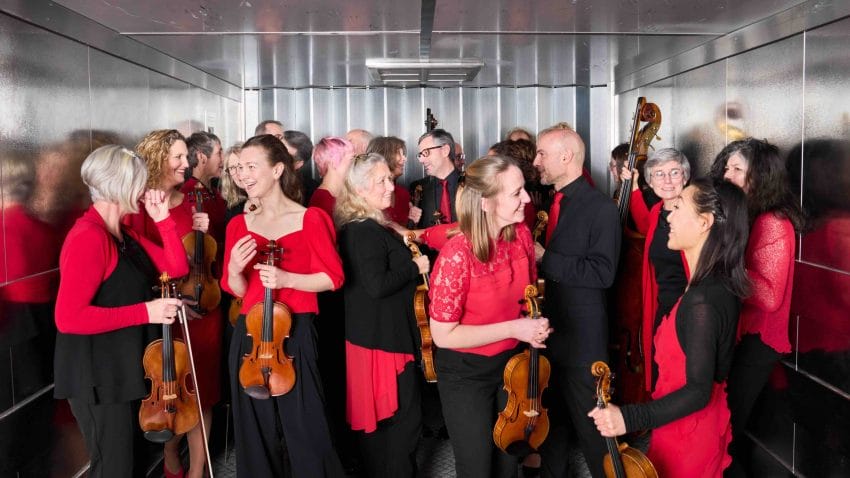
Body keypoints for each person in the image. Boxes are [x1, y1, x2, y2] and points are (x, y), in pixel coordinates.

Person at [589, 179, 751, 478]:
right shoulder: (707, 285)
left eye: (678, 208)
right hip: (681, 426)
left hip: (689, 436)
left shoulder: (703, 301)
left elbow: (698, 391)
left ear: (704, 222)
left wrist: (628, 417)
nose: (669, 216)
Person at [53, 145, 187, 477]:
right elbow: (68, 318)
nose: (144, 190)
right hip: (97, 378)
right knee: (114, 469)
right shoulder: (88, 237)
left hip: (121, 371)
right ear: (121, 186)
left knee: (130, 466)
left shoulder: (123, 234)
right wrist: (147, 312)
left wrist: (163, 220)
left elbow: (176, 268)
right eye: (139, 182)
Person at [222, 134, 345, 477]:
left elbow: (333, 278)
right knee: (254, 430)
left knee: (306, 428)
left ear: (277, 170)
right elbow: (237, 290)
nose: (242, 175)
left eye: (251, 167)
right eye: (239, 168)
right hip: (250, 334)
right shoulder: (237, 224)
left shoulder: (311, 219)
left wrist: (288, 279)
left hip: (296, 333)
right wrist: (234, 269)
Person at [428, 154, 553, 478]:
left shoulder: (521, 235)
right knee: (477, 466)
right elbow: (443, 335)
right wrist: (515, 328)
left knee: (508, 460)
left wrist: (535, 324)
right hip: (465, 373)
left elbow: (527, 299)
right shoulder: (457, 255)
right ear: (485, 202)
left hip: (511, 366)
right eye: (516, 193)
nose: (527, 199)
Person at [127, 129, 222, 478]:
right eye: (178, 157)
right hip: (164, 313)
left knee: (203, 393)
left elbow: (204, 258)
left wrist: (204, 232)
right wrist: (170, 299)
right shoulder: (137, 205)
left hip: (201, 313)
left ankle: (197, 471)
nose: (187, 163)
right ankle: (170, 452)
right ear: (157, 159)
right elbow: (136, 265)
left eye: (187, 156)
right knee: (172, 392)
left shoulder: (193, 199)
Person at [710, 139, 805, 478]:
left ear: (760, 176)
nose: (727, 174)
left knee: (727, 430)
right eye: (727, 167)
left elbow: (769, 297)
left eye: (737, 169)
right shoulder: (747, 213)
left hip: (758, 341)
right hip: (742, 334)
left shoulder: (773, 222)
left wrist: (722, 264)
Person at [532, 126, 621, 478]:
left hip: (583, 340)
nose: (536, 161)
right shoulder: (553, 202)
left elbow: (603, 273)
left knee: (594, 431)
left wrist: (545, 258)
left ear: (566, 157)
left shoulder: (601, 208)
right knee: (551, 427)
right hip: (550, 333)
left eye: (542, 154)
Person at [335, 152, 428, 477]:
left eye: (390, 178)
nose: (391, 186)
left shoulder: (372, 225)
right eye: (382, 181)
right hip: (380, 342)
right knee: (401, 422)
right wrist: (415, 266)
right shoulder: (363, 230)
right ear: (360, 190)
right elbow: (376, 285)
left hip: (383, 336)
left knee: (396, 423)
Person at [621, 148, 692, 392]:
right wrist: (632, 186)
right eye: (659, 174)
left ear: (685, 177)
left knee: (682, 376)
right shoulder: (658, 211)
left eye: (674, 172)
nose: (667, 180)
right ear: (650, 182)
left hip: (689, 309)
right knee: (662, 371)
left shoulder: (695, 214)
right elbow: (645, 224)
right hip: (663, 306)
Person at [408, 129, 461, 228]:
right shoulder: (418, 189)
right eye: (420, 155)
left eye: (426, 152)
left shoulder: (473, 185)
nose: (421, 160)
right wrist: (412, 221)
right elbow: (411, 232)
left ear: (445, 151)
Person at [365, 136, 410, 224]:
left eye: (403, 154)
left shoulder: (403, 194)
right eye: (399, 153)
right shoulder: (367, 194)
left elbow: (405, 230)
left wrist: (412, 221)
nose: (405, 159)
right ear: (384, 156)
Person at [309, 136, 356, 216]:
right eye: (352, 159)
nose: (355, 163)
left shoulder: (344, 193)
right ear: (334, 161)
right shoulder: (322, 201)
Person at [283, 130, 320, 204]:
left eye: (284, 156)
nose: (275, 157)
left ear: (298, 164)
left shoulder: (311, 190)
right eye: (276, 150)